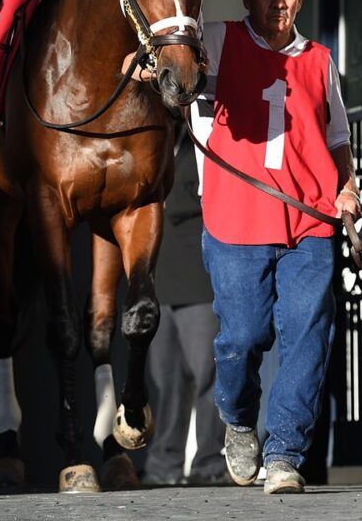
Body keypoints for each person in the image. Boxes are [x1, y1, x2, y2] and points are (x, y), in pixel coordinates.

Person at [194, 0, 361, 494]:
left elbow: (337, 137)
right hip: (237, 218)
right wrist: (144, 66)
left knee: (308, 332)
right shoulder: (219, 41)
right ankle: (239, 420)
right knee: (243, 335)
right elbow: (173, 68)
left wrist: (349, 187)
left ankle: (285, 452)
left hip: (309, 221)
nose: (277, 1)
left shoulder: (319, 59)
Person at [141, 114, 230, 487]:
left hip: (199, 282)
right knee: (166, 381)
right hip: (157, 285)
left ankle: (209, 463)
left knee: (208, 375)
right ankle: (163, 465)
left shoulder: (202, 147)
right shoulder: (148, 148)